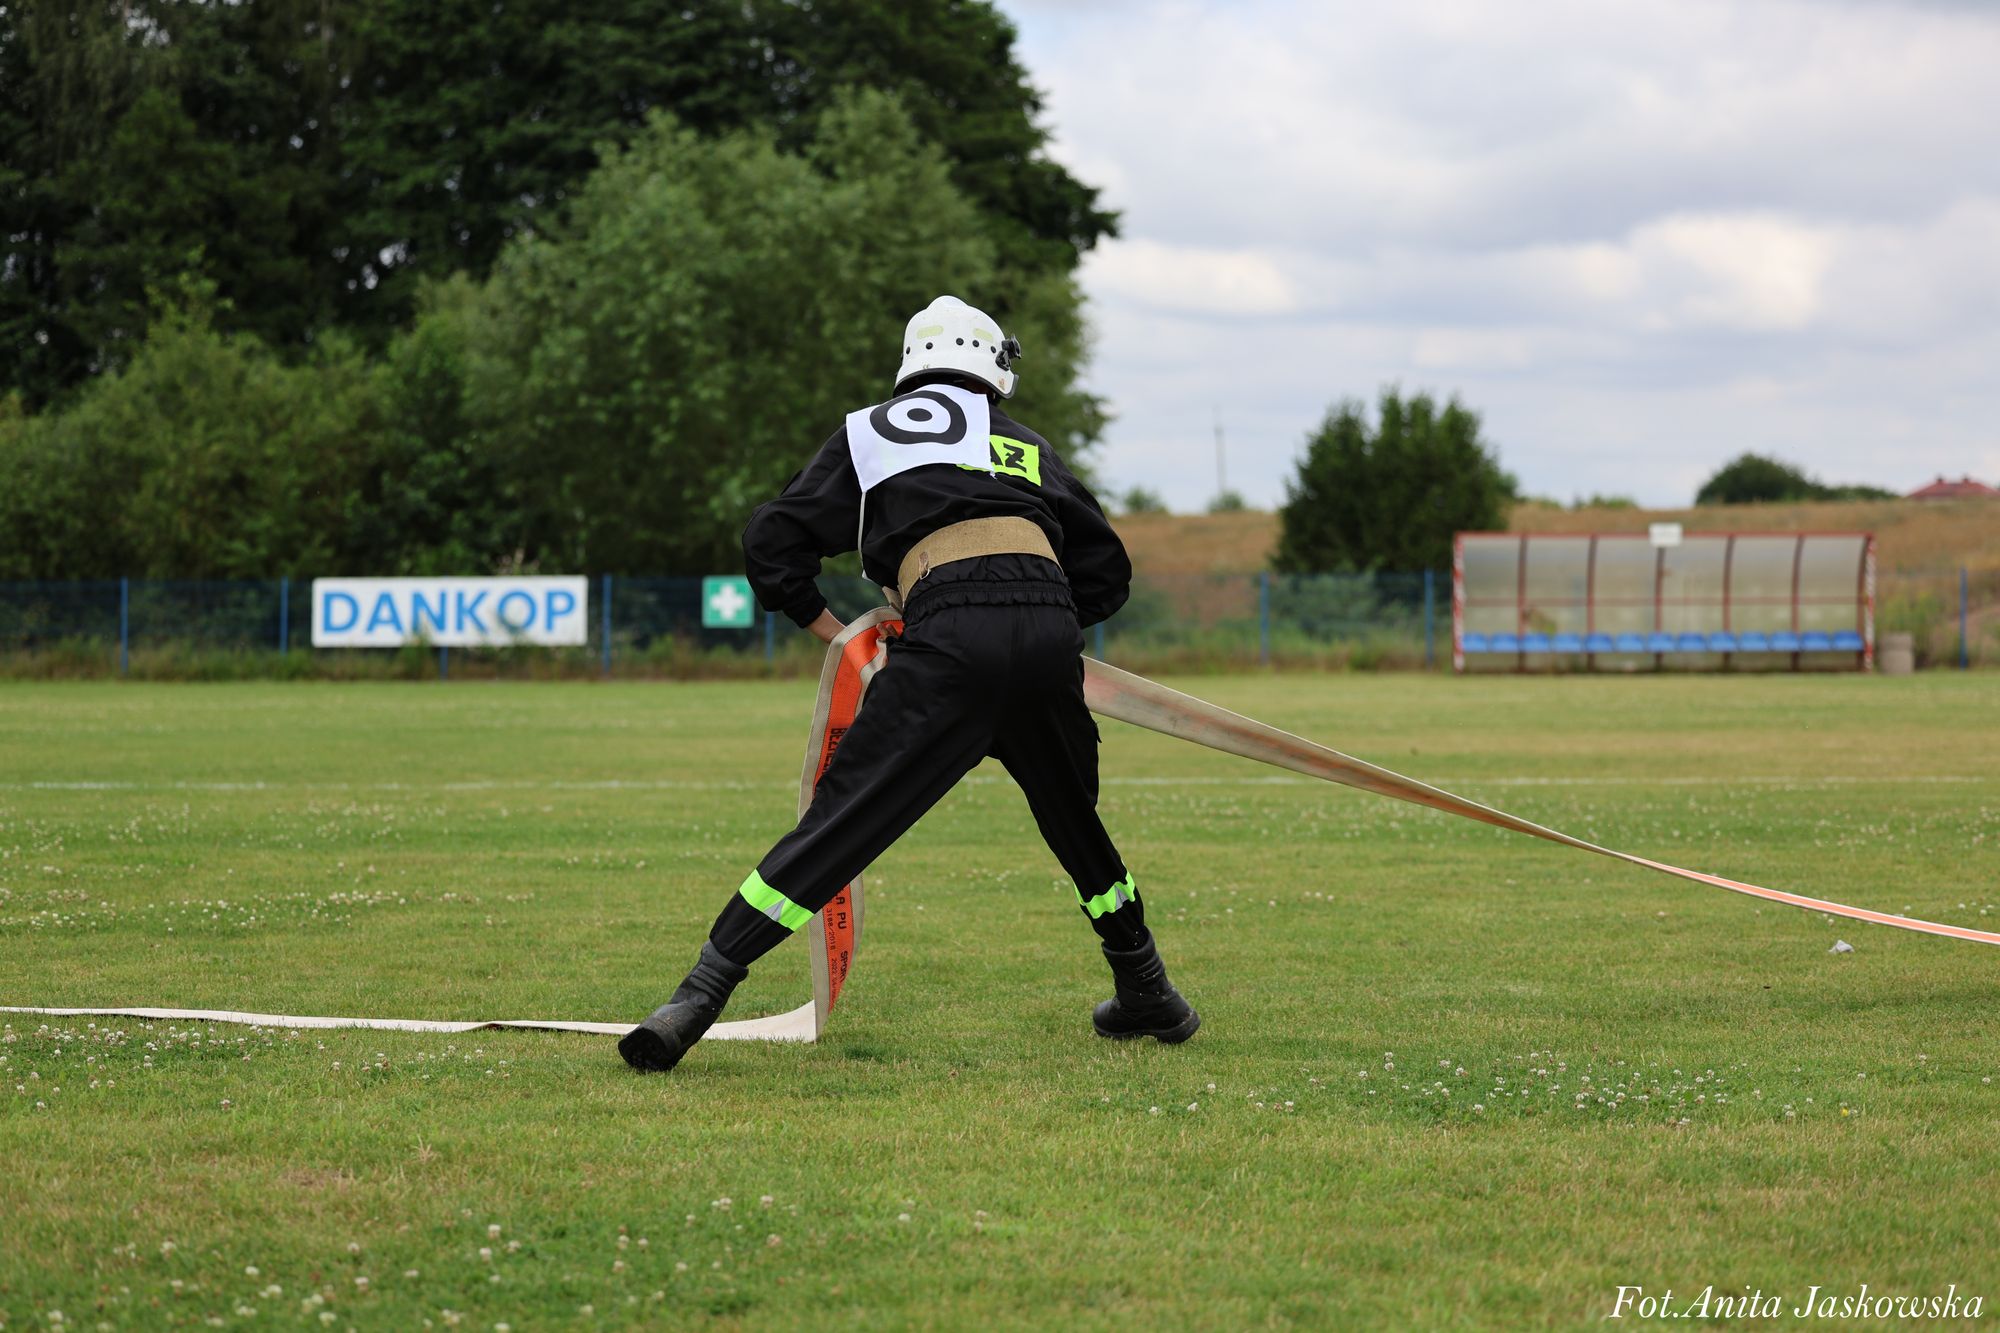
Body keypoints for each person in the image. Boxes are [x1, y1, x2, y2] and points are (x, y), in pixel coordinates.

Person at [620, 295, 1199, 1073]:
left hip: (946, 637)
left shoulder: (869, 431)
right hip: (1046, 628)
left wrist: (850, 640)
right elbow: (1107, 572)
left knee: (841, 824)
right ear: (994, 368)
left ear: (912, 365)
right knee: (1075, 825)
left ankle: (698, 994)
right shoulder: (1025, 443)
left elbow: (773, 541)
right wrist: (1044, 632)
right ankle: (1147, 986)